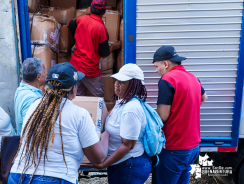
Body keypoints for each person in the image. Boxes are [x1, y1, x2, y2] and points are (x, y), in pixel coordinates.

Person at [9, 62, 110, 184]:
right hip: (54, 179)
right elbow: (98, 158)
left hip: (18, 176)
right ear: (73, 88)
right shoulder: (79, 114)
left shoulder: (34, 105)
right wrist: (105, 137)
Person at [82, 64, 152, 184]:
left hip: (129, 166)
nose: (116, 84)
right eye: (116, 80)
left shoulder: (131, 109)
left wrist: (103, 164)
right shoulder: (122, 102)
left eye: (122, 82)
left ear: (133, 85)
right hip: (120, 164)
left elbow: (127, 145)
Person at [152, 45, 208, 184]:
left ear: (165, 63)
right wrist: (184, 109)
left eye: (156, 66)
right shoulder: (193, 77)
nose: (156, 70)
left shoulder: (167, 79)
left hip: (173, 147)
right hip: (192, 147)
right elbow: (203, 98)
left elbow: (163, 116)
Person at [68, 0, 121, 97]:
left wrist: (85, 13)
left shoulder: (81, 20)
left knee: (77, 98)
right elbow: (104, 53)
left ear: (90, 8)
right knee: (99, 98)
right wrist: (114, 47)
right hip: (89, 71)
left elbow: (69, 24)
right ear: (104, 11)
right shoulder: (101, 28)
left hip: (75, 67)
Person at [14, 58, 46, 135]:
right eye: (44, 71)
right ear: (38, 77)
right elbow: (31, 130)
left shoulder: (21, 89)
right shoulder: (32, 99)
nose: (46, 74)